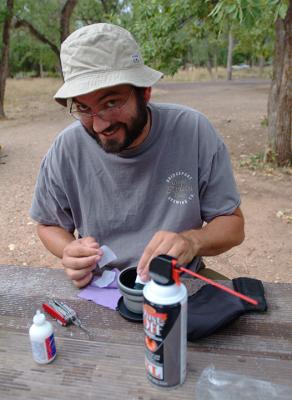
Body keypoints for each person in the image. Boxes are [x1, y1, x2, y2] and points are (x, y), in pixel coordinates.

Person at [30, 23, 244, 288]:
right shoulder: (67, 148)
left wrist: (191, 241)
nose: (99, 126)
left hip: (177, 282)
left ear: (145, 92)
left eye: (111, 103)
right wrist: (69, 250)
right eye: (84, 108)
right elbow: (48, 224)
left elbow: (233, 225)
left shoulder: (193, 131)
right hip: (101, 287)